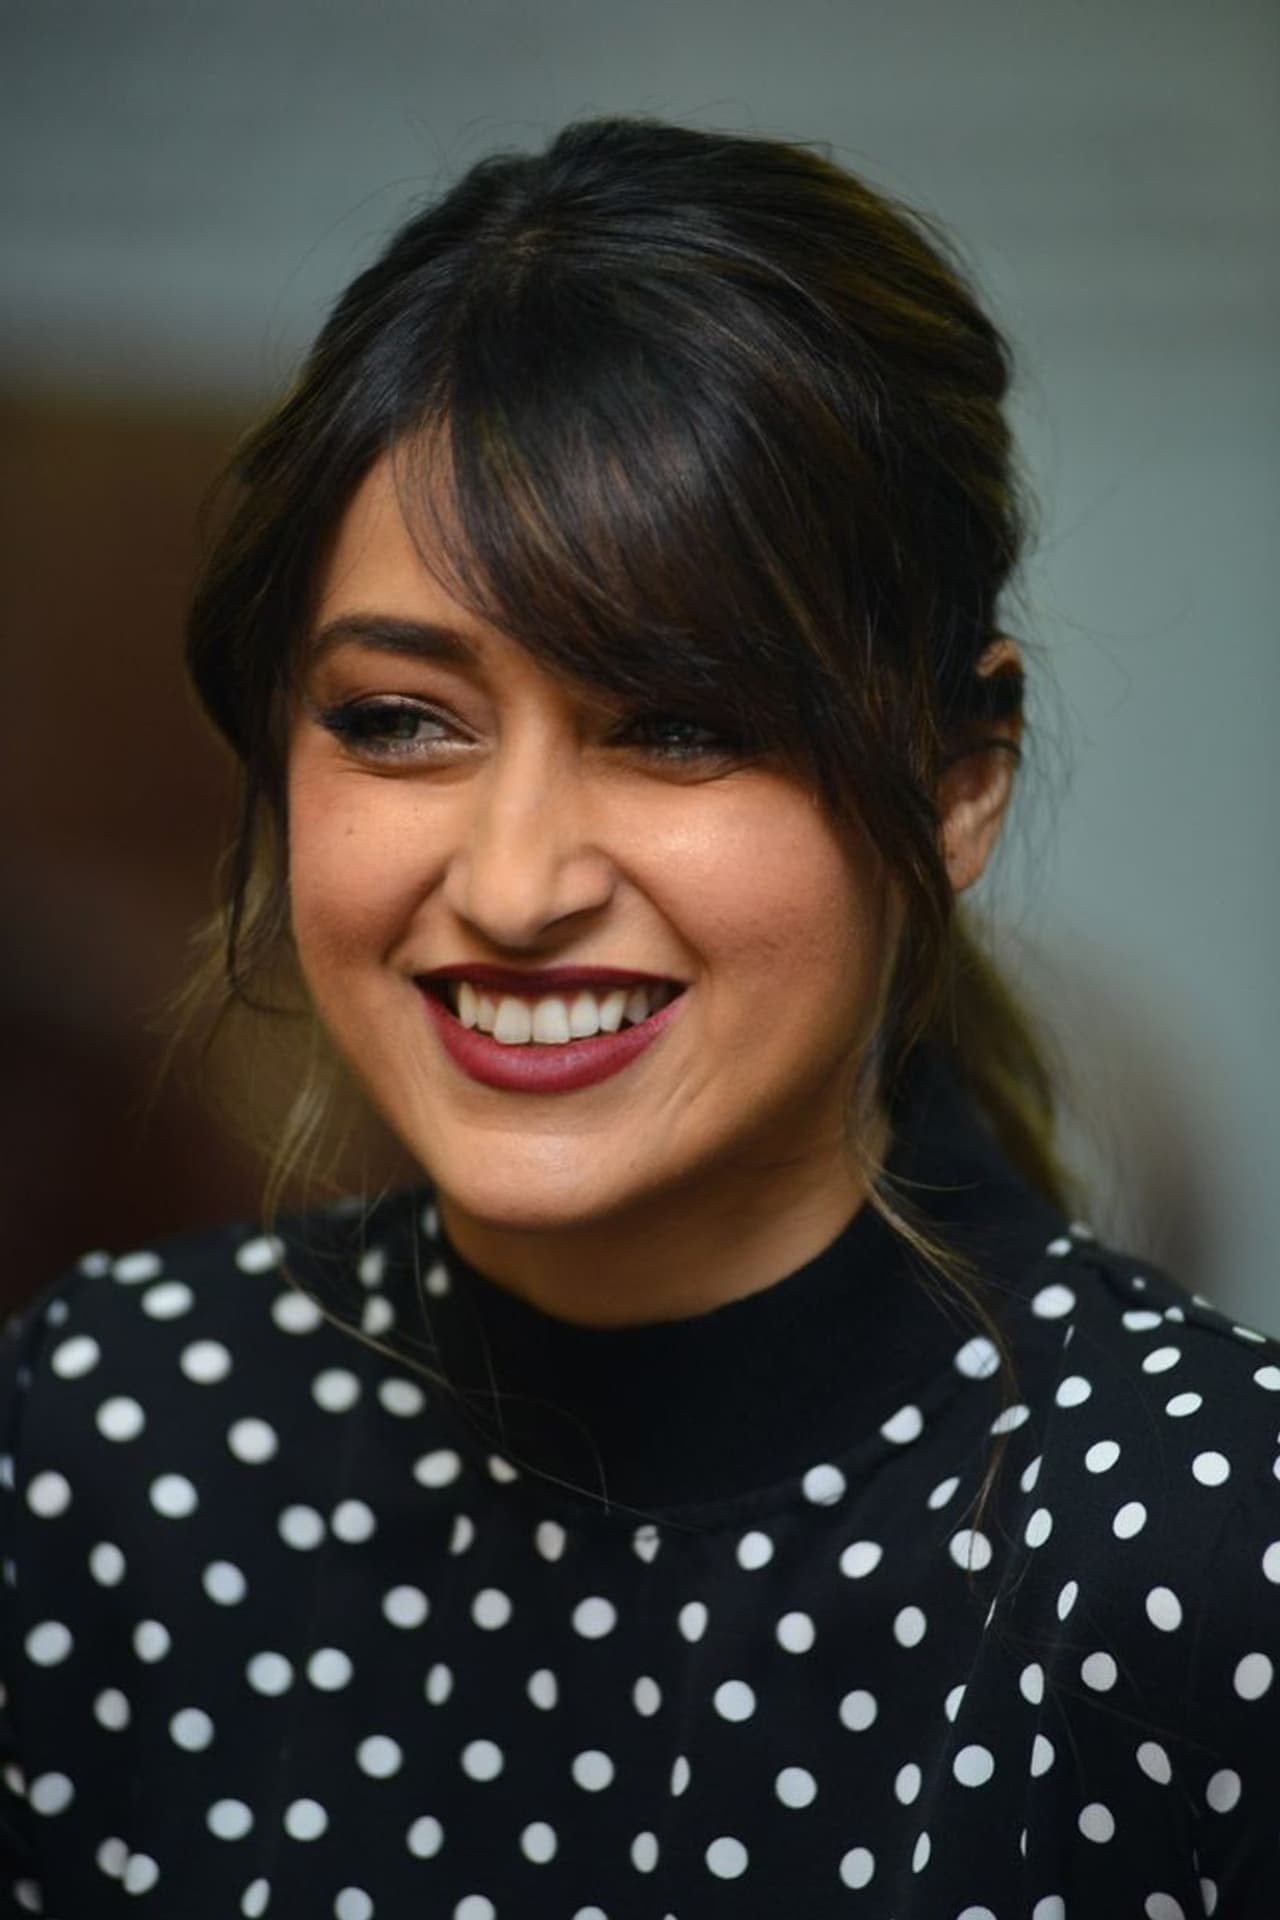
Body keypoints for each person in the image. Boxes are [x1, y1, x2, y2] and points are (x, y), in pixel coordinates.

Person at [1, 115, 1276, 1920]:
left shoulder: (1212, 1538)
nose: (516, 882)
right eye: (400, 721)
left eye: (679, 727)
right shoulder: (108, 1435)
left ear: (959, 779)